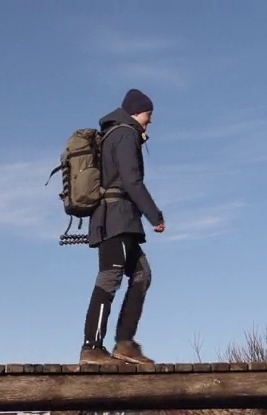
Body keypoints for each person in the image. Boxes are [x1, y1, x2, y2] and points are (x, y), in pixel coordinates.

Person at [79, 88, 165, 366]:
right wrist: (154, 215)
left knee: (142, 275)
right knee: (110, 277)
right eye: (147, 117)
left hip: (119, 219)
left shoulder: (115, 134)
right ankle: (92, 348)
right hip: (114, 219)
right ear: (136, 112)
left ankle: (125, 343)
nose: (148, 122)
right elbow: (131, 180)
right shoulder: (125, 134)